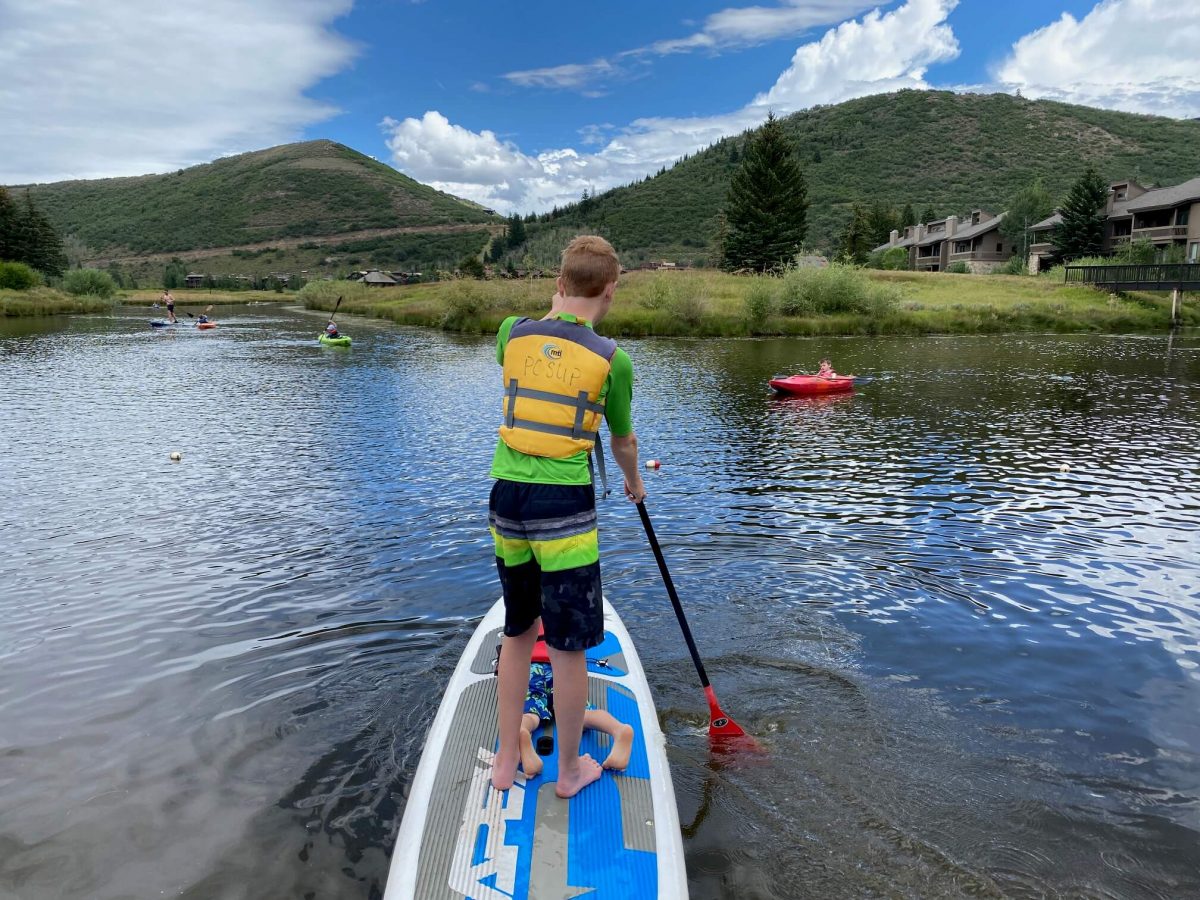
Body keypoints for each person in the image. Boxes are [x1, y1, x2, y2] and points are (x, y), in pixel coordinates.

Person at [488, 235, 645, 799]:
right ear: (610, 290)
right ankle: (571, 769)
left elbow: (535, 355)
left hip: (506, 498)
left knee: (517, 630)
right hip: (563, 506)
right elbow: (622, 441)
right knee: (567, 647)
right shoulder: (613, 360)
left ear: (558, 283)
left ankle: (507, 759)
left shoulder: (510, 331)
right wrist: (633, 482)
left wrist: (553, 313)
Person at [517, 659, 635, 777]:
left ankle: (523, 729)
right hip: (563, 664)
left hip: (531, 667)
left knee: (530, 714)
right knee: (581, 714)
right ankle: (618, 729)